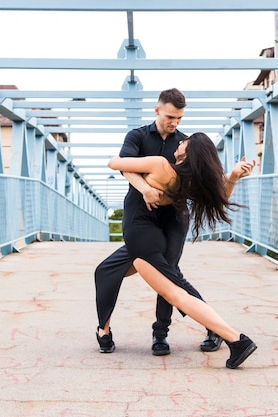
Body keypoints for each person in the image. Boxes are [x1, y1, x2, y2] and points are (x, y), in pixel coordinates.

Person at [107, 132, 257, 369]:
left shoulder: (163, 165)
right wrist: (233, 176)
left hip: (141, 237)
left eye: (184, 143)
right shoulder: (188, 179)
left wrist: (144, 186)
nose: (179, 141)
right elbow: (220, 195)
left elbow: (114, 163)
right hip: (147, 236)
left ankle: (236, 339)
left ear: (188, 152)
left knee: (175, 293)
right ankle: (232, 338)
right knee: (175, 289)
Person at [95, 88, 221, 356]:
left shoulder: (184, 143)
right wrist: (145, 189)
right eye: (170, 117)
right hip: (142, 216)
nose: (175, 123)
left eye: (179, 118)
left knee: (169, 272)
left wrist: (230, 178)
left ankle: (161, 334)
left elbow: (200, 178)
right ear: (157, 110)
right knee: (108, 270)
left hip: (174, 217)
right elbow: (124, 165)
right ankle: (103, 329)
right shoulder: (138, 136)